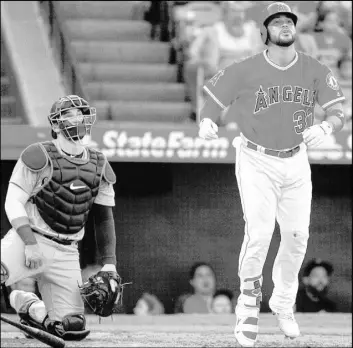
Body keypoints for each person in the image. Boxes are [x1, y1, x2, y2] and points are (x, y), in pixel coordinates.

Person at [198, 3, 346, 347]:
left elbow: (338, 111)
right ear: (264, 31)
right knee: (261, 232)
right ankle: (248, 304)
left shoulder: (313, 68)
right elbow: (214, 100)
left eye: (289, 21)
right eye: (277, 21)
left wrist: (327, 126)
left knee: (297, 237)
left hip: (296, 160)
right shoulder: (246, 68)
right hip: (255, 158)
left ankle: (282, 300)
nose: (284, 26)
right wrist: (207, 121)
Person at [0, 95, 122, 341]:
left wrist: (109, 262)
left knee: (71, 327)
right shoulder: (38, 155)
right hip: (30, 240)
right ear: (55, 125)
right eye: (69, 115)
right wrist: (30, 243)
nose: (77, 119)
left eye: (81, 114)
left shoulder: (99, 163)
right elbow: (12, 202)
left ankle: (28, 306)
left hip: (67, 251)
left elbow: (104, 219)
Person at [183, 1, 263, 122]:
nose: (238, 16)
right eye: (234, 11)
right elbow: (193, 52)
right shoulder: (213, 31)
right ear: (225, 14)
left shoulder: (253, 31)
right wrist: (203, 61)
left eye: (240, 12)